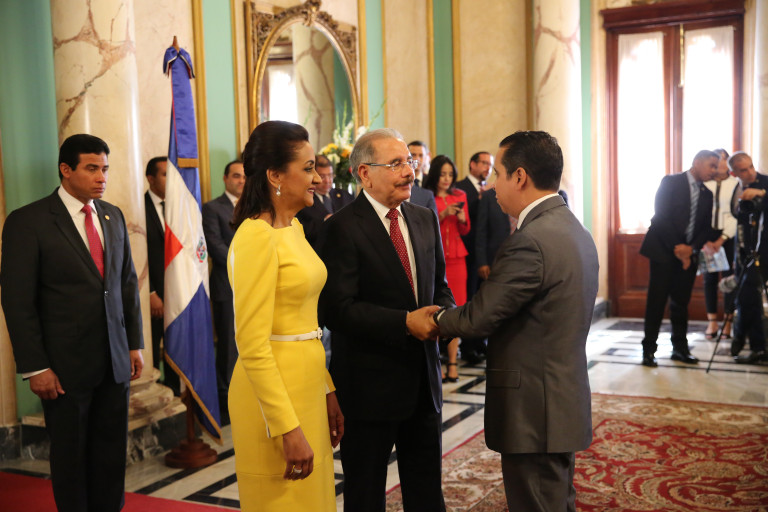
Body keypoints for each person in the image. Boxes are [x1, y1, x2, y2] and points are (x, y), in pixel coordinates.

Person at [427, 130, 599, 512]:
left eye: (498, 175)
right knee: (555, 501)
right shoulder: (574, 228)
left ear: (519, 177)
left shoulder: (530, 240)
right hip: (559, 397)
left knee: (537, 503)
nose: (492, 187)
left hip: (534, 408)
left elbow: (479, 317)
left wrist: (435, 319)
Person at [1, 133, 144, 511]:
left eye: (105, 169)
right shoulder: (28, 221)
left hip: (114, 361)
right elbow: (18, 301)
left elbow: (126, 285)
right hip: (63, 368)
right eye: (92, 168)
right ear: (66, 169)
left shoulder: (112, 215)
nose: (102, 177)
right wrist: (36, 367)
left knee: (110, 455)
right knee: (72, 458)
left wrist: (133, 344)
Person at [319, 128, 455, 511]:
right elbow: (337, 310)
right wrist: (404, 322)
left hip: (424, 384)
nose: (409, 171)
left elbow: (439, 287)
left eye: (408, 162)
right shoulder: (340, 227)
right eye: (396, 164)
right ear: (365, 173)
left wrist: (447, 318)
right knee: (365, 496)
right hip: (368, 390)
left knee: (426, 494)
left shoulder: (424, 219)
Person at [226, 121, 344, 511]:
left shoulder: (292, 228)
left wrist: (326, 389)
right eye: (308, 168)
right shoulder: (256, 237)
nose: (318, 178)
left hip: (307, 385)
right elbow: (252, 344)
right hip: (273, 401)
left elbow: (303, 322)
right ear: (275, 175)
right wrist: (287, 428)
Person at [639, 150, 720, 367]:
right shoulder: (671, 182)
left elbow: (705, 228)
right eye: (712, 165)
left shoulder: (707, 193)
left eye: (716, 167)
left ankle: (680, 349)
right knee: (656, 302)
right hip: (663, 250)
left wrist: (690, 249)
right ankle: (649, 350)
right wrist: (679, 249)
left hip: (688, 255)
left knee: (681, 303)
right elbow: (660, 217)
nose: (714, 171)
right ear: (697, 162)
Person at [202, 159, 245, 420]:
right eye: (236, 176)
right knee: (229, 347)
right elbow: (215, 246)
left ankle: (247, 398)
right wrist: (248, 265)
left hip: (254, 288)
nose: (241, 181)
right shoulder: (212, 208)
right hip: (227, 287)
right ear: (225, 178)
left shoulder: (254, 207)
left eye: (245, 177)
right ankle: (228, 402)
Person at [423, 155, 470, 382]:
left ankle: (452, 362)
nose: (446, 178)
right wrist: (442, 215)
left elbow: (466, 230)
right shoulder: (427, 196)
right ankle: (437, 361)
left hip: (458, 259)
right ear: (435, 175)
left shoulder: (460, 195)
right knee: (434, 308)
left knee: (456, 309)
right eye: (442, 174)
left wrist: (461, 218)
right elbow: (426, 229)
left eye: (450, 174)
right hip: (435, 258)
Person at [727, 151, 768, 364]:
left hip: (765, 251)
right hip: (745, 251)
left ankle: (753, 344)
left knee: (747, 295)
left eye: (751, 167)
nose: (750, 172)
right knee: (745, 297)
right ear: (734, 173)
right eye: (744, 170)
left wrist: (761, 193)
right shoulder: (736, 189)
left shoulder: (764, 183)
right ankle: (749, 342)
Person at [144, 156, 180, 395]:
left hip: (178, 293)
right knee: (151, 350)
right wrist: (149, 292)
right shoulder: (138, 206)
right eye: (166, 174)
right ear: (151, 178)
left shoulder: (180, 206)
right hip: (153, 295)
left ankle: (175, 394)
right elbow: (136, 255)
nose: (171, 180)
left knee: (176, 348)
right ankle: (155, 394)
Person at [455, 151, 492, 364]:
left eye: (490, 165)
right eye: (484, 163)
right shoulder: (460, 188)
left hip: (484, 255)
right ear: (472, 164)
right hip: (465, 255)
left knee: (483, 300)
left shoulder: (489, 190)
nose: (488, 168)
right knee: (468, 301)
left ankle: (480, 342)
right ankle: (467, 345)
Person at [702, 149, 737, 339]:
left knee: (729, 279)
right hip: (707, 237)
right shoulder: (704, 184)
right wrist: (705, 240)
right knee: (709, 279)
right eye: (718, 159)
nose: (721, 163)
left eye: (725, 159)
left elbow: (735, 214)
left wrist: (722, 239)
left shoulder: (735, 184)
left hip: (728, 237)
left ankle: (728, 322)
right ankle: (712, 321)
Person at [296, 153, 353, 250]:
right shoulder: (302, 200)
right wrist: (325, 222)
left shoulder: (345, 195)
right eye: (322, 176)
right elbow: (300, 230)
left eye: (330, 175)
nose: (327, 181)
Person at [476, 187, 515, 281]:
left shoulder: (527, 194)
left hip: (523, 256)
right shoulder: (488, 196)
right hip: (495, 258)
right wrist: (482, 262)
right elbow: (481, 231)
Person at [406, 140, 438, 215]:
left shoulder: (432, 182)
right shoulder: (401, 180)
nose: (417, 159)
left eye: (421, 155)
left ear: (427, 157)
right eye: (413, 155)